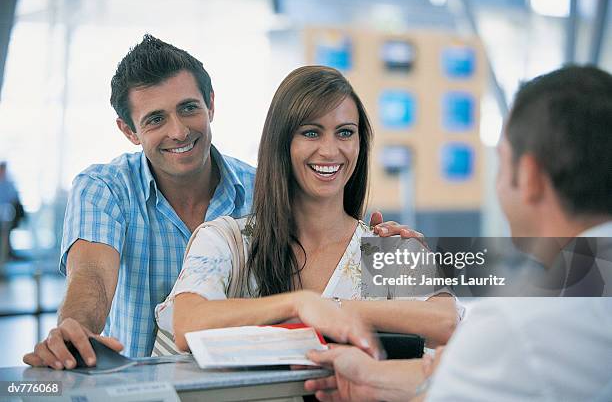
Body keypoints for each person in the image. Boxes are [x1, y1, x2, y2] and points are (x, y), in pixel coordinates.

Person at [23, 36, 415, 369]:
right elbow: (91, 276)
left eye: (189, 108)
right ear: (128, 131)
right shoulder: (104, 188)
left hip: (232, 384)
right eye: (155, 119)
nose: (179, 131)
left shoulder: (261, 187)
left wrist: (382, 245)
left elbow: (326, 233)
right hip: (132, 383)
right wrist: (75, 330)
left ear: (211, 104)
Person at [304, 65, 612, 401]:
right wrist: (373, 377)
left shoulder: (519, 327)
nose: (330, 150)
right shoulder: (587, 288)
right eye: (311, 133)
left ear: (529, 176)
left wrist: (327, 310)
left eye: (501, 162)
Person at [155, 65, 461, 355]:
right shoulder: (227, 240)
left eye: (344, 133)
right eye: (311, 133)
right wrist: (298, 305)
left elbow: (445, 323)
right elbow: (187, 323)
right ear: (282, 143)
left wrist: (334, 308)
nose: (330, 150)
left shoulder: (387, 248)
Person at [0, 161, 25, 260]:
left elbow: (15, 199)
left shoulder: (9, 184)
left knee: (4, 236)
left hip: (5, 218)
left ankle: (3, 259)